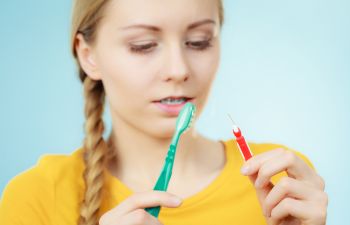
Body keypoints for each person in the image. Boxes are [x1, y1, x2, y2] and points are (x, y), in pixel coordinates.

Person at [0, 0, 328, 224]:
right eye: (143, 45)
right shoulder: (38, 198)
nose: (178, 69)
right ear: (89, 56)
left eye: (199, 42)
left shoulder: (282, 183)